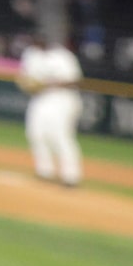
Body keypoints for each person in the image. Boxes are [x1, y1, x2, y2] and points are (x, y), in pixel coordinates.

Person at [18, 27, 85, 187]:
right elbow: (25, 77)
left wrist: (47, 83)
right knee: (35, 133)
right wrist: (28, 84)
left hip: (62, 99)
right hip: (40, 99)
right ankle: (44, 171)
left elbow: (75, 81)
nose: (37, 43)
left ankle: (71, 176)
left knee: (61, 136)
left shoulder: (62, 56)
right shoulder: (30, 54)